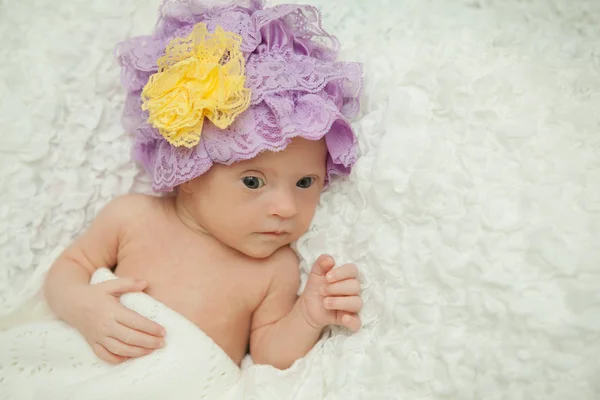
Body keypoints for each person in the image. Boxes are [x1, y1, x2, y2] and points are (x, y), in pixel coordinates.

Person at [44, 0, 364, 370]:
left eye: (306, 182)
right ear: (189, 168)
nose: (287, 208)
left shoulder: (276, 268)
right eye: (253, 181)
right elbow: (68, 268)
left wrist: (308, 316)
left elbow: (267, 355)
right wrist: (82, 305)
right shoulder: (132, 217)